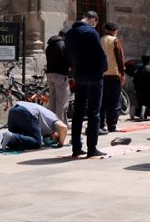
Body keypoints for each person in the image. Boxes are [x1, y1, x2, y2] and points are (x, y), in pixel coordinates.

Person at [65, 10, 107, 158]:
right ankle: (92, 148)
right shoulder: (91, 32)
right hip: (94, 75)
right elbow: (100, 54)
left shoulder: (69, 33)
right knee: (94, 112)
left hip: (79, 75)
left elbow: (68, 55)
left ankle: (76, 147)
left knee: (78, 111)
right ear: (93, 20)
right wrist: (104, 68)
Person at [0, 100, 68, 152]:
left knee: (16, 141)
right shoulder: (55, 121)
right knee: (36, 142)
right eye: (54, 139)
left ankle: (0, 137)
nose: (51, 140)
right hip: (28, 112)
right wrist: (60, 144)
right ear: (55, 133)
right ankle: (11, 136)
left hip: (14, 110)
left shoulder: (46, 126)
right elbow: (63, 128)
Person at [99, 21, 126, 134]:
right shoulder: (114, 41)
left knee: (103, 101)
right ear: (114, 30)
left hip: (102, 74)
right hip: (113, 74)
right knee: (114, 101)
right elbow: (120, 58)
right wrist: (122, 73)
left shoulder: (100, 40)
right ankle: (112, 125)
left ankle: (100, 124)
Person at [44, 30, 70, 125]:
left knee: (52, 100)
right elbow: (68, 60)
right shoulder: (62, 45)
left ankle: (52, 123)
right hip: (60, 75)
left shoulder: (49, 45)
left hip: (50, 74)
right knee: (61, 101)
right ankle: (60, 125)